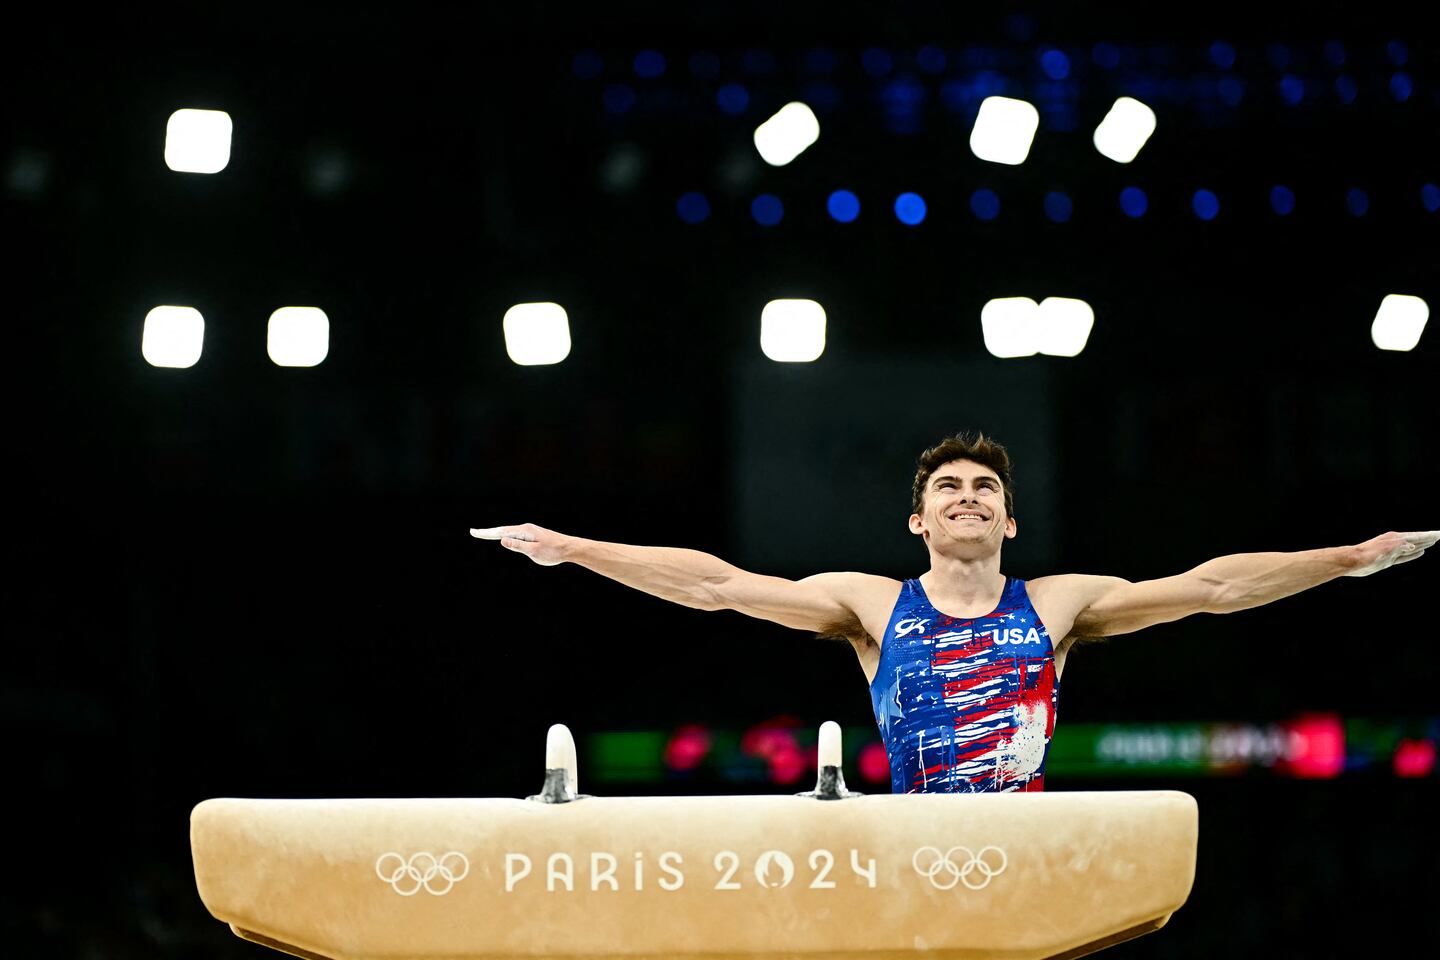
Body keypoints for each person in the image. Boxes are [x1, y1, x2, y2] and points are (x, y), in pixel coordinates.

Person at [471, 432, 1435, 794]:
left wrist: (1347, 561)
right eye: (948, 488)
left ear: (1010, 520)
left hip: (1026, 841)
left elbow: (1216, 586)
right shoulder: (872, 606)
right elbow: (716, 584)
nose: (967, 496)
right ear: (918, 518)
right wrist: (575, 548)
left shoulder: (1057, 605)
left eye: (984, 488)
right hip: (912, 838)